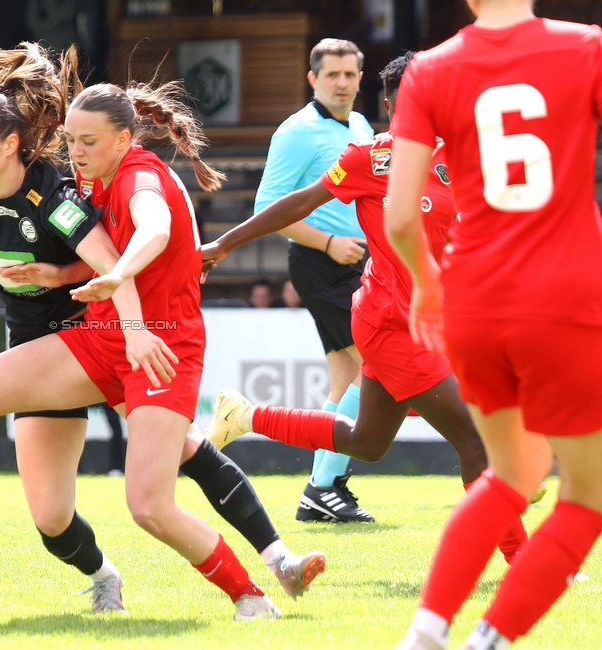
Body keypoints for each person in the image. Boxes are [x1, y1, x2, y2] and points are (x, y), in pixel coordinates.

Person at [0, 45, 324, 619]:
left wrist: (124, 287)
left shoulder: (95, 187)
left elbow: (142, 233)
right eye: (71, 141)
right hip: (82, 341)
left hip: (146, 339)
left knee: (154, 498)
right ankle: (41, 559)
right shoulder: (42, 186)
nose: (75, 153)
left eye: (88, 143)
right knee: (51, 512)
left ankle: (260, 582)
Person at [200, 53, 528, 565]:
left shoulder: (457, 157)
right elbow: (299, 202)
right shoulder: (370, 158)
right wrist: (225, 243)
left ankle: (245, 415)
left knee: (367, 441)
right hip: (391, 321)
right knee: (476, 439)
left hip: (425, 321)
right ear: (397, 103)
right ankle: (521, 561)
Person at [383, 2, 602, 648]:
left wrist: (427, 287)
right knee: (583, 498)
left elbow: (400, 218)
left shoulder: (428, 70)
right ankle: (489, 640)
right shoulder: (585, 47)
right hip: (563, 297)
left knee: (512, 474)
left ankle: (425, 634)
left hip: (472, 300)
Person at [253, 39, 375, 522]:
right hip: (321, 263)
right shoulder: (296, 132)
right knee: (376, 366)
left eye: (349, 74)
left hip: (358, 263)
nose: (342, 83)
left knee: (345, 378)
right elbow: (267, 210)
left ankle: (324, 491)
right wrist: (327, 243)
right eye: (332, 75)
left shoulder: (362, 126)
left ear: (360, 78)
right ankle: (322, 486)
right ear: (313, 79)